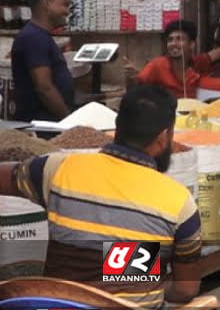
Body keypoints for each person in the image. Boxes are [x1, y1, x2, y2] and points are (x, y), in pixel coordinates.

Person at [0, 86, 201, 309]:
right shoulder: (179, 202)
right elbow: (185, 290)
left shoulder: (58, 169)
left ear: (118, 127)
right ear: (163, 137)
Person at [127, 19, 220, 99]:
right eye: (170, 40)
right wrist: (131, 77)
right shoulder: (157, 65)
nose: (173, 44)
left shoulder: (198, 62)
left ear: (191, 44)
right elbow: (136, 89)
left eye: (179, 39)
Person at [11, 0, 74, 122]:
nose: (67, 11)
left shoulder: (40, 36)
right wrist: (69, 121)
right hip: (42, 126)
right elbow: (44, 87)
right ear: (46, 4)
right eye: (63, 5)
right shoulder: (34, 38)